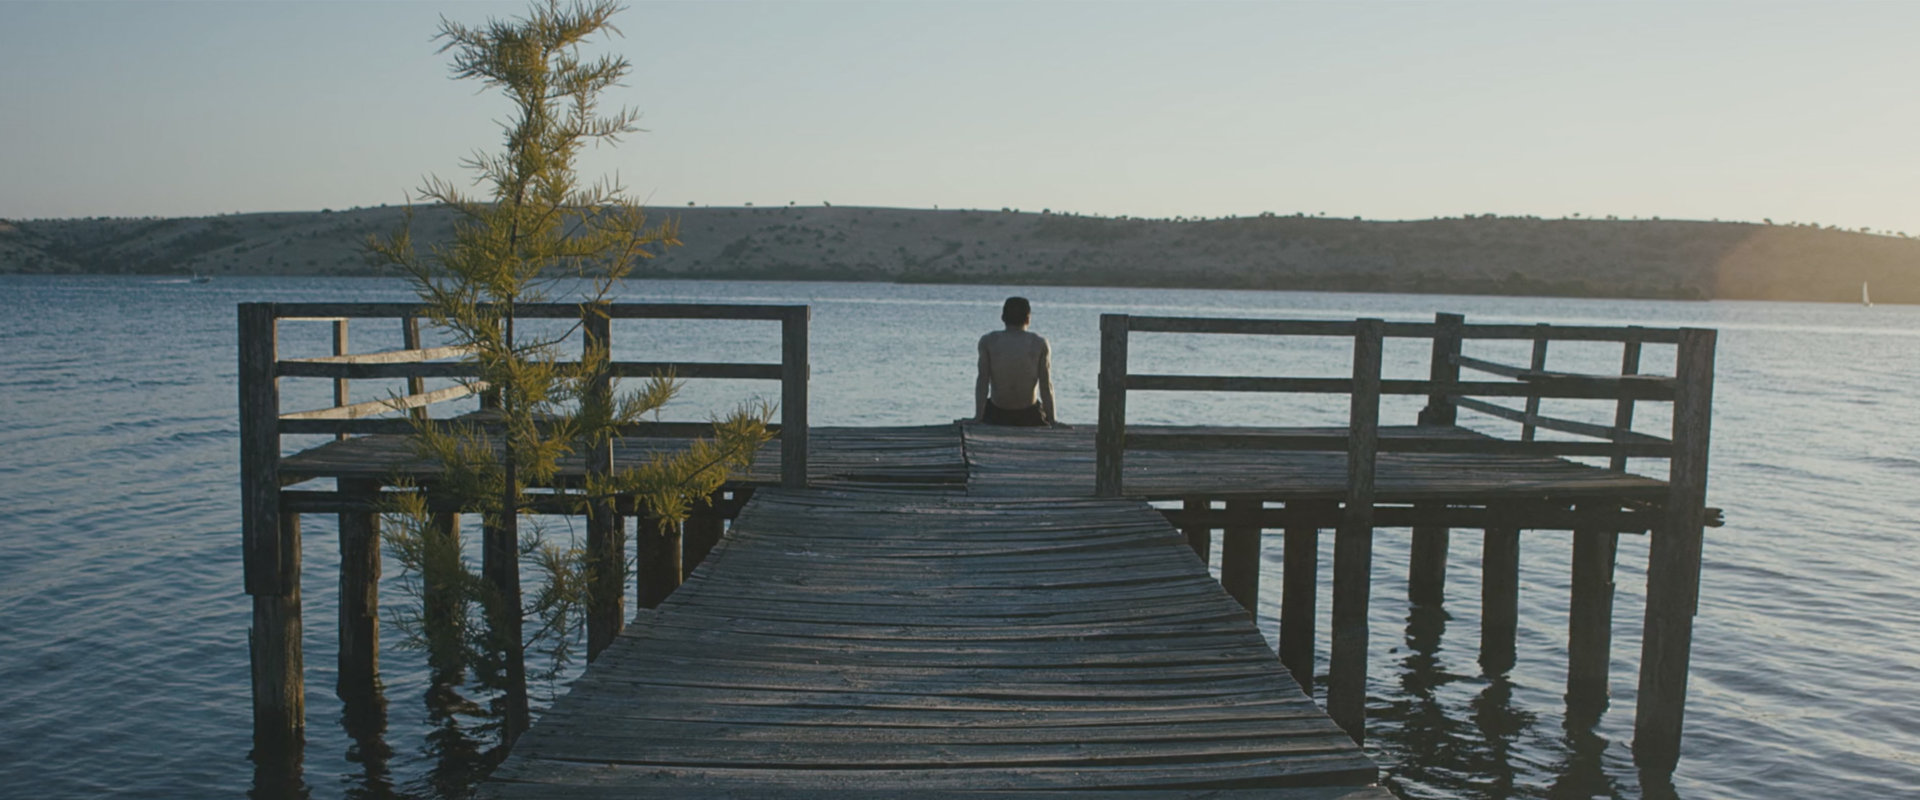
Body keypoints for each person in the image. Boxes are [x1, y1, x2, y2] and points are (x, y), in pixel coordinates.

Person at [974, 296, 1056, 426]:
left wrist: (978, 417)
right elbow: (1045, 385)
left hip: (996, 413)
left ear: (1002, 317)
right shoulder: (1039, 343)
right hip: (1029, 413)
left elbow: (982, 381)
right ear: (1028, 318)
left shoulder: (989, 341)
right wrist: (1052, 420)